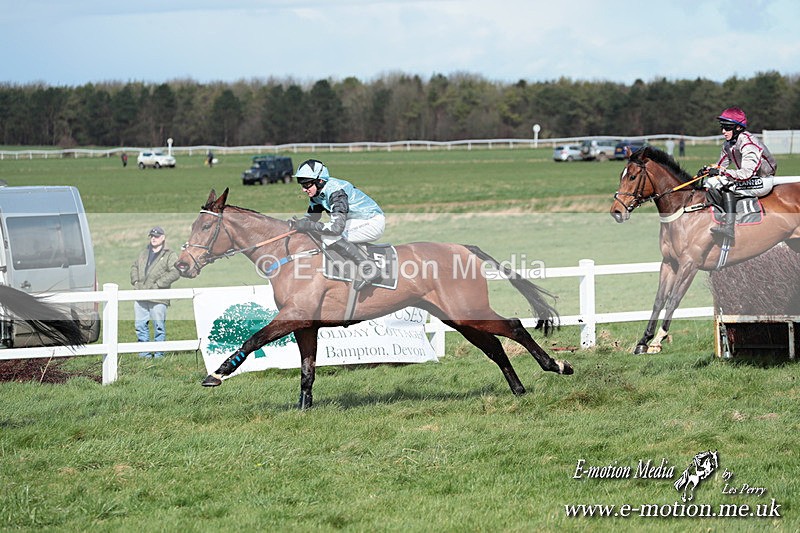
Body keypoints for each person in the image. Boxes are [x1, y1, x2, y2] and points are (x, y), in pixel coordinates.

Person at [288, 159, 385, 290]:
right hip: (356, 222)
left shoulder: (336, 193)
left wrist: (307, 225)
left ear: (320, 181)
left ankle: (369, 268)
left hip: (371, 222)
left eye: (307, 185)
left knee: (329, 237)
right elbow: (312, 217)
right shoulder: (317, 193)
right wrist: (296, 224)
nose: (304, 189)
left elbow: (336, 228)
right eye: (302, 184)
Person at [700, 107, 777, 244]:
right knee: (710, 184)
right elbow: (720, 165)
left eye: (727, 127)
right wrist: (707, 170)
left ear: (738, 128)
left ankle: (729, 228)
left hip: (762, 180)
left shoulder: (749, 143)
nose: (723, 131)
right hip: (749, 178)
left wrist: (720, 172)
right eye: (722, 127)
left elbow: (746, 173)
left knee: (725, 185)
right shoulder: (728, 144)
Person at [130, 226, 181, 357]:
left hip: (159, 297)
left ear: (163, 238)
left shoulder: (170, 254)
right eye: (152, 236)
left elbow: (175, 272)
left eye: (157, 236)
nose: (154, 238)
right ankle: (144, 354)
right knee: (140, 326)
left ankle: (159, 355)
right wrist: (135, 281)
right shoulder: (144, 253)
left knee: (159, 326)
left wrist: (158, 285)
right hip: (141, 295)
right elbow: (134, 267)